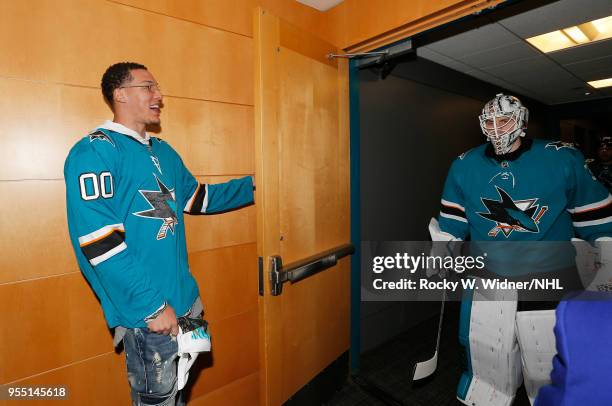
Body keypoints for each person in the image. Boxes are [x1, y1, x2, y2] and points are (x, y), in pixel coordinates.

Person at [64, 62, 254, 405]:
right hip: (150, 315)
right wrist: (152, 306)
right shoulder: (95, 151)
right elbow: (100, 244)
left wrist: (257, 185)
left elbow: (199, 199)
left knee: (180, 396)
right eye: (148, 87)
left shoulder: (163, 151)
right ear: (120, 94)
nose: (159, 96)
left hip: (187, 303)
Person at [433, 94, 612, 406]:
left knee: (547, 362)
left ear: (523, 123)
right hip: (487, 277)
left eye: (503, 121)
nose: (496, 129)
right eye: (489, 122)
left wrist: (606, 255)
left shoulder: (563, 158)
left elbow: (595, 218)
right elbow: (454, 218)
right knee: (488, 362)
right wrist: (443, 242)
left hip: (548, 276)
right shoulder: (464, 164)